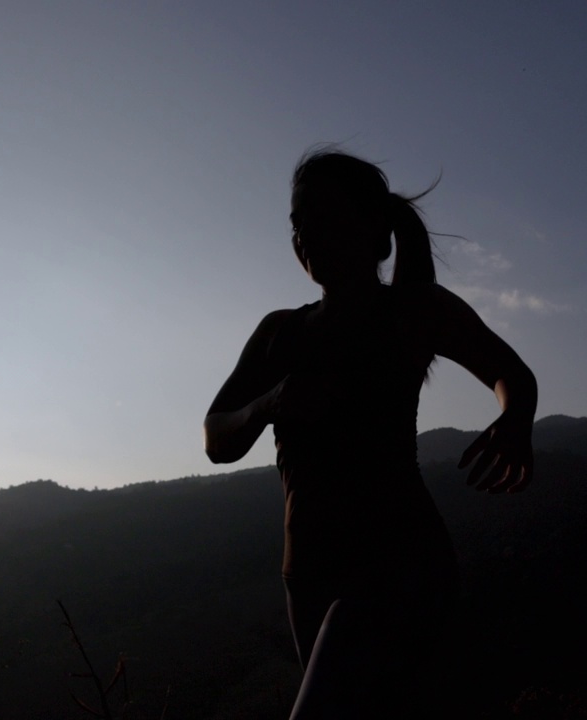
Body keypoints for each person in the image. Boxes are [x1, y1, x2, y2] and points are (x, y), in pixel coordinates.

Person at [203, 149, 537, 718]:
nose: (305, 232)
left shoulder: (413, 309)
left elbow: (510, 374)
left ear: (374, 234)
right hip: (306, 571)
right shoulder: (278, 332)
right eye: (297, 220)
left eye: (321, 215)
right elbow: (217, 437)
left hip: (399, 560)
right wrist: (271, 402)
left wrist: (514, 421)